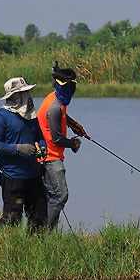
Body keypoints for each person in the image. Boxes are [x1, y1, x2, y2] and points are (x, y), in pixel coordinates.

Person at [0, 77, 47, 230]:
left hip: (33, 174)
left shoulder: (31, 117)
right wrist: (18, 148)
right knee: (13, 218)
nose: (28, 96)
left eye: (28, 92)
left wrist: (42, 148)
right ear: (14, 96)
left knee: (39, 217)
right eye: (24, 93)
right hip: (13, 176)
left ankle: (36, 248)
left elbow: (40, 137)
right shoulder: (0, 118)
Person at [38, 68, 87, 229]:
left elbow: (61, 116)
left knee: (51, 195)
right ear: (58, 85)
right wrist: (74, 144)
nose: (69, 89)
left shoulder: (56, 100)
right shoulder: (54, 107)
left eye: (72, 86)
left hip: (51, 154)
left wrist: (73, 125)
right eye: (66, 86)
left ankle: (40, 230)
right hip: (49, 157)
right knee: (60, 195)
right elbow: (56, 138)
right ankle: (47, 233)